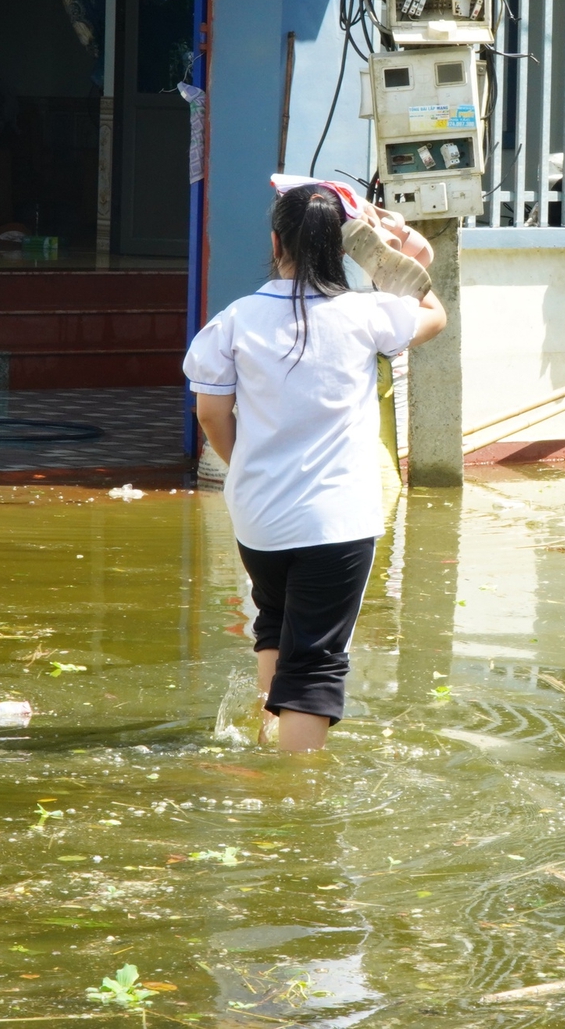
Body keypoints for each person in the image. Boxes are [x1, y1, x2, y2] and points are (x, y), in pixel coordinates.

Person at [184, 184, 447, 752]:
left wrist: (249, 466)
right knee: (318, 662)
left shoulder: (234, 322)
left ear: (275, 240)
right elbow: (432, 311)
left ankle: (266, 735)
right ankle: (295, 797)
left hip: (258, 517)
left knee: (274, 624)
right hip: (336, 522)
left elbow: (211, 415)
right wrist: (390, 243)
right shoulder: (368, 315)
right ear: (342, 248)